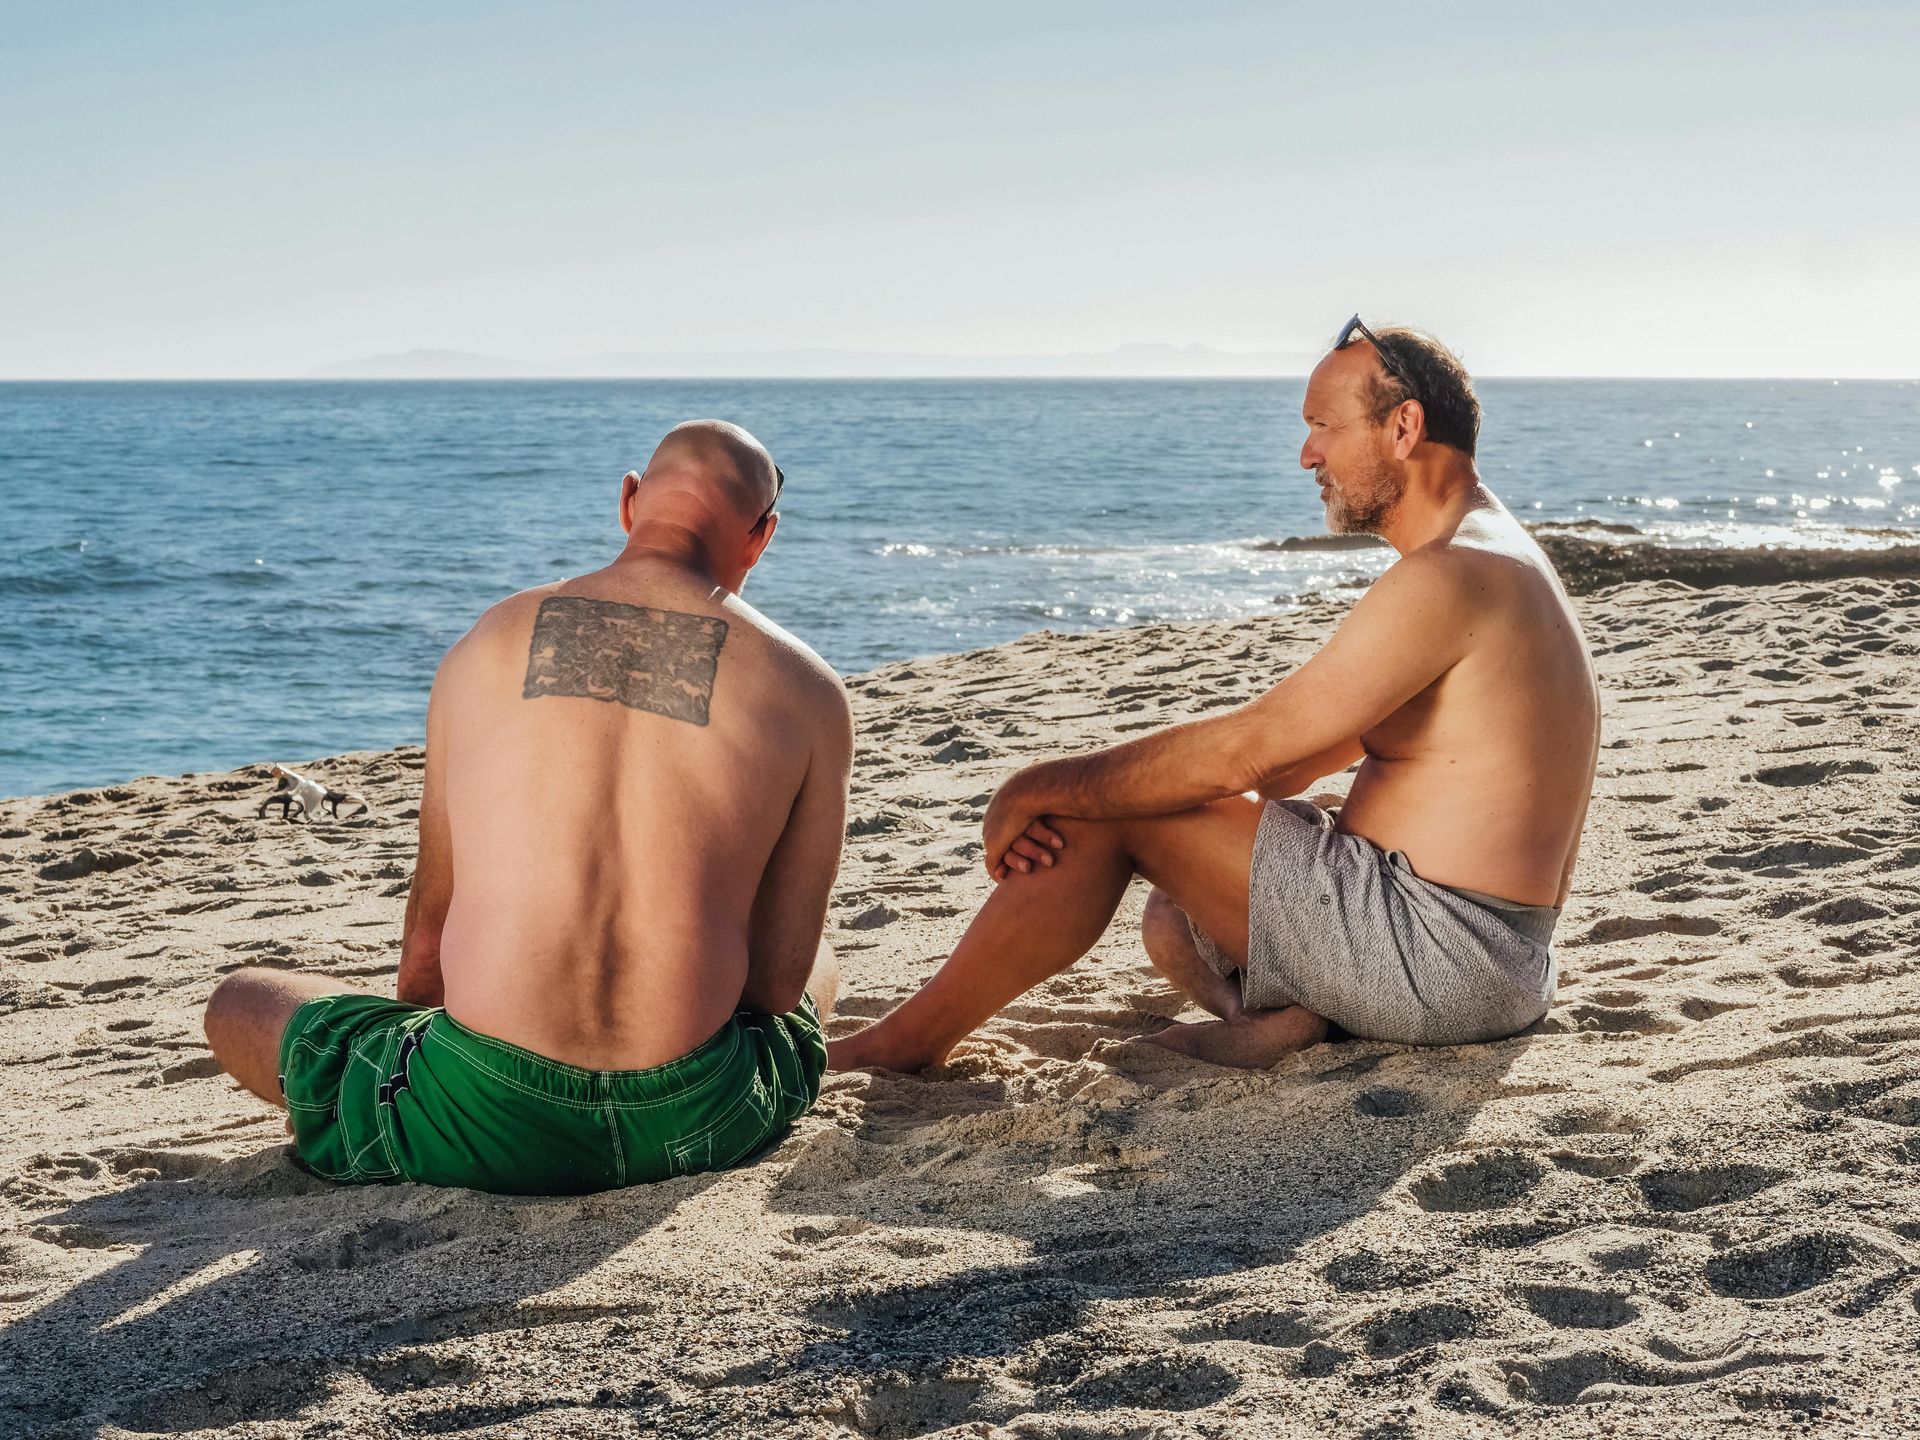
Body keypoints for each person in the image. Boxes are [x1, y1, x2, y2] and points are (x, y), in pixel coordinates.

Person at [829, 319, 1599, 1073]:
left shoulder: (1450, 576)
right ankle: (1263, 1020)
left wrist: (1040, 787)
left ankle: (906, 1044)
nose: (1307, 455)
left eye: (1324, 426)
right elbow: (1288, 763)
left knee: (1100, 812)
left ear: (1403, 427)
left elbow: (1248, 750)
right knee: (1173, 911)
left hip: (1438, 955)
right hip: (1498, 963)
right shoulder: (1496, 557)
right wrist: (1194, 836)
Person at [204, 421, 851, 1192]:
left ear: (628, 500)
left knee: (240, 1002)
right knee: (821, 957)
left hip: (483, 1117)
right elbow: (776, 989)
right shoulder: (808, 690)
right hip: (697, 1117)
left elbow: (423, 962)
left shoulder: (486, 644)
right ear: (762, 536)